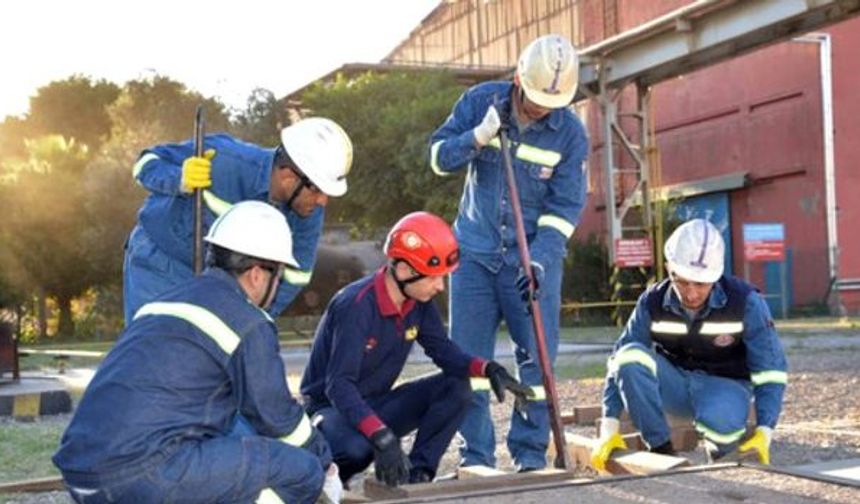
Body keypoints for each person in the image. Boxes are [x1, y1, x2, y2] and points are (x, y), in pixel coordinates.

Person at [54, 201, 335, 504]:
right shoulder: (246, 321)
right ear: (257, 274)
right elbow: (277, 417)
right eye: (277, 276)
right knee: (301, 471)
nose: (277, 285)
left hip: (83, 475)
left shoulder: (162, 304)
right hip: (144, 476)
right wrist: (322, 461)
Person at [428, 34, 589, 471]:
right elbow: (438, 158)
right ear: (518, 78)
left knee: (537, 363)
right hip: (474, 258)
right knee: (468, 361)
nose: (541, 109)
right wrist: (477, 137)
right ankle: (477, 456)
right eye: (535, 98)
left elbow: (565, 208)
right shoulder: (480, 102)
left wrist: (539, 258)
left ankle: (530, 454)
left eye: (551, 103)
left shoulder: (571, 134)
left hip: (532, 259)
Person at [300, 212, 532, 487]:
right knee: (357, 450)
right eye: (434, 278)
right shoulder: (356, 305)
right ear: (405, 270)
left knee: (456, 387)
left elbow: (444, 353)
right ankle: (330, 480)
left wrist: (488, 368)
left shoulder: (418, 303)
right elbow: (338, 387)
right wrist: (382, 437)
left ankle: (418, 475)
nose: (440, 286)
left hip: (374, 403)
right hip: (329, 411)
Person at [591, 219, 788, 471]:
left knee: (722, 421)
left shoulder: (745, 302)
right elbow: (619, 360)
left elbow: (770, 371)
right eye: (682, 281)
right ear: (668, 269)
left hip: (724, 388)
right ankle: (661, 448)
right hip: (673, 387)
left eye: (701, 284)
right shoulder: (652, 302)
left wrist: (764, 432)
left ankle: (722, 453)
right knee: (629, 356)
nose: (691, 293)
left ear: (716, 277)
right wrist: (609, 427)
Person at [123, 117, 353, 324]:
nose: (323, 201)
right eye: (318, 190)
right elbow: (146, 162)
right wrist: (179, 178)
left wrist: (257, 319)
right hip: (159, 261)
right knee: (152, 352)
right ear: (289, 176)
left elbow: (296, 275)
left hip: (214, 281)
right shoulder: (223, 158)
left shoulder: (307, 209)